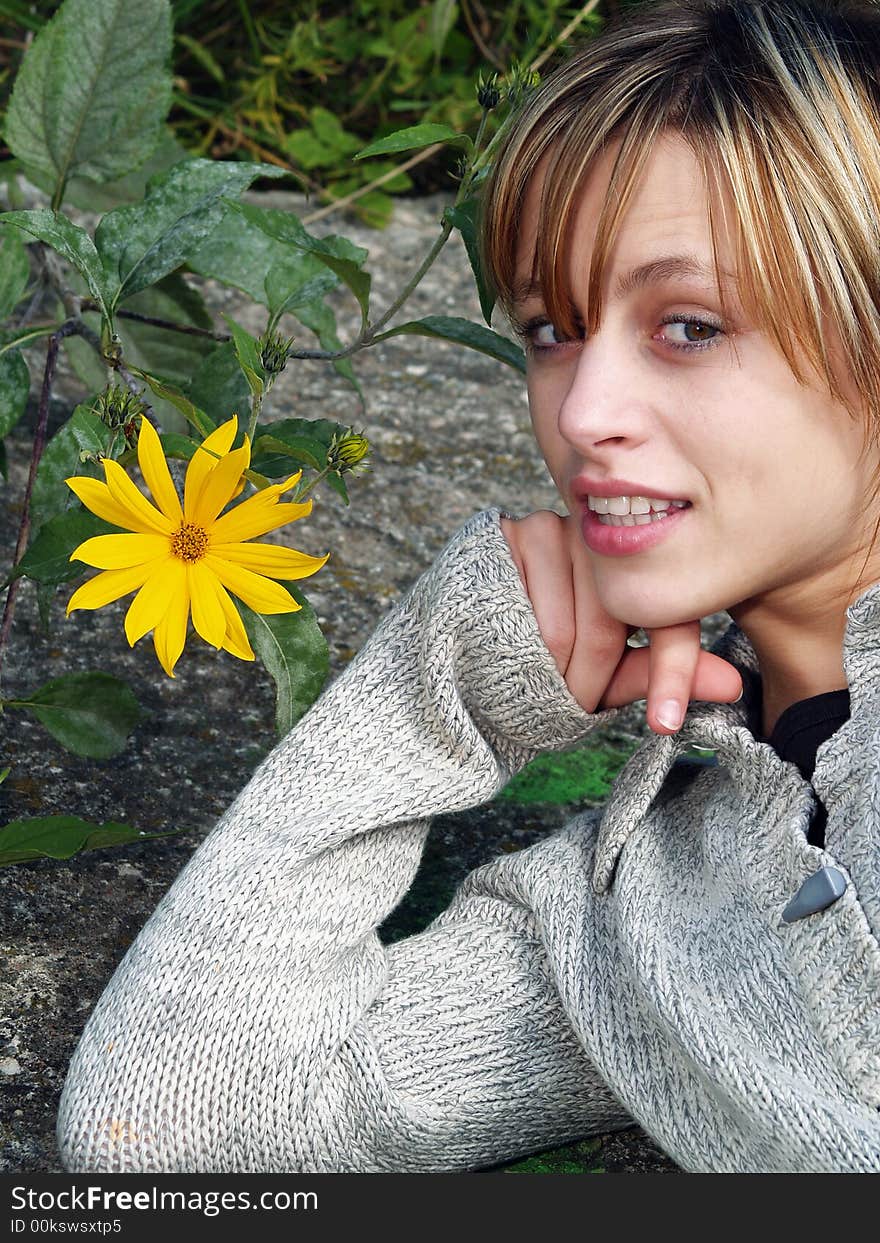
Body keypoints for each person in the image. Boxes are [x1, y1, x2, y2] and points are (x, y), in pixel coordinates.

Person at [57, 0, 880, 1173]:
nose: (582, 412)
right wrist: (435, 683)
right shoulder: (634, 913)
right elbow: (173, 1137)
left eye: (687, 326)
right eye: (553, 328)